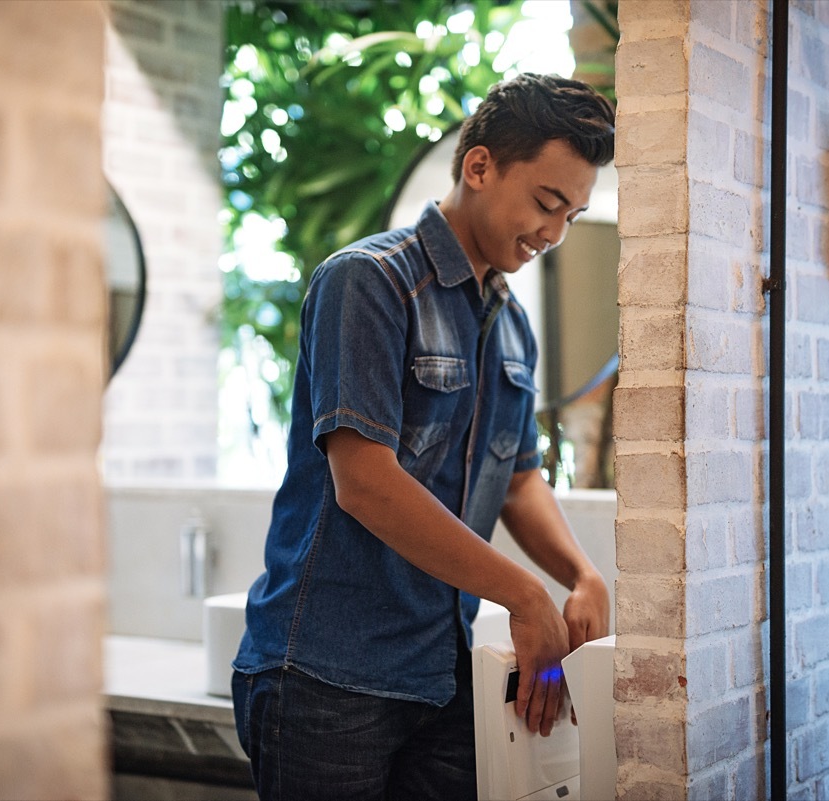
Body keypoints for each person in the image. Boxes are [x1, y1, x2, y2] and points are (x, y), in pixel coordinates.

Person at [231, 72, 615, 801]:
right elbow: (365, 482)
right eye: (546, 203)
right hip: (324, 679)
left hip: (441, 678)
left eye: (573, 214)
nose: (555, 234)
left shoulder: (510, 326)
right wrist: (526, 597)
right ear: (479, 166)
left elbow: (520, 474)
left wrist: (580, 573)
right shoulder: (367, 283)